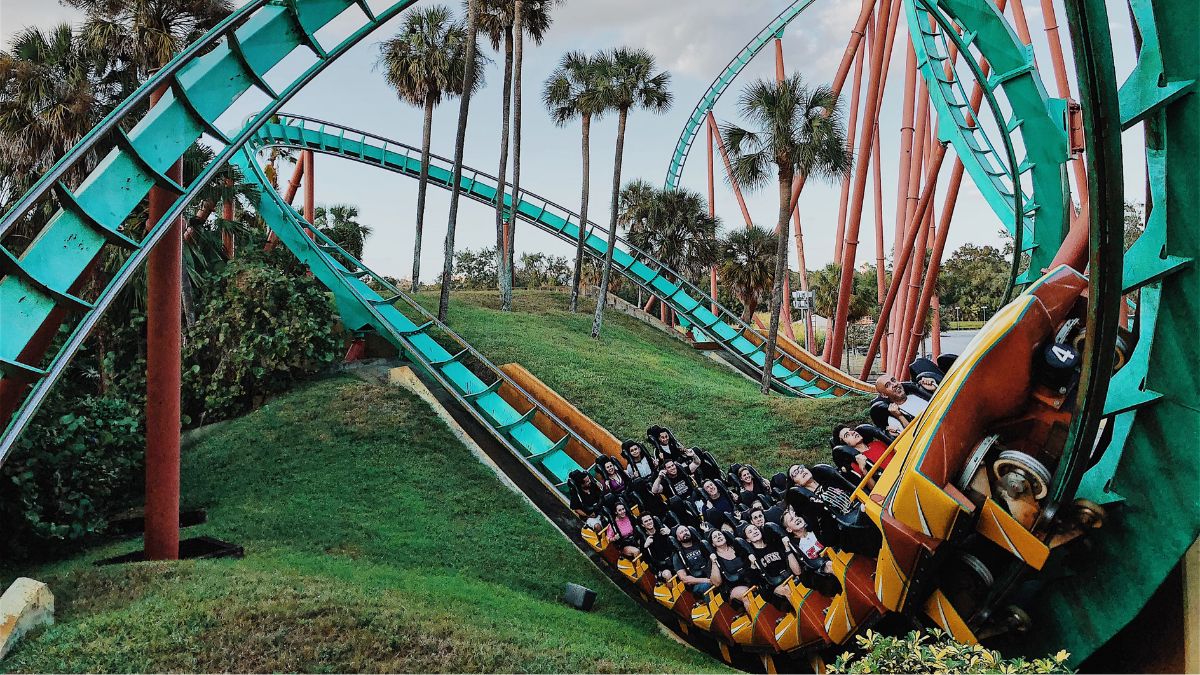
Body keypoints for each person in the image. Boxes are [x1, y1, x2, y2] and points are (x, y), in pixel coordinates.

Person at [786, 464, 881, 556]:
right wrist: (821, 511)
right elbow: (828, 539)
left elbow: (857, 488)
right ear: (795, 484)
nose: (801, 471)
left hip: (863, 508)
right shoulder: (809, 507)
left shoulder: (830, 478)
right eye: (796, 472)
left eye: (801, 467)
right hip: (851, 531)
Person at [744, 524, 800, 604]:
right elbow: (753, 581)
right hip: (773, 587)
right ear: (748, 540)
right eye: (750, 532)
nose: (754, 532)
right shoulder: (751, 557)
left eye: (755, 529)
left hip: (789, 576)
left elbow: (792, 565)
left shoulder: (774, 544)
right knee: (787, 589)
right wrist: (753, 565)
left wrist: (787, 548)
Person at [707, 529, 755, 606]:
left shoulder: (737, 548)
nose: (718, 537)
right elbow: (717, 583)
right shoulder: (713, 559)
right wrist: (714, 562)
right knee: (747, 594)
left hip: (750, 579)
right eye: (715, 537)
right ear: (713, 544)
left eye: (720, 535)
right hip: (732, 587)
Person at [671, 526, 713, 594]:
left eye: (686, 530)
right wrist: (707, 580)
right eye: (681, 532)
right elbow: (684, 579)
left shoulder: (701, 544)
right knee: (708, 586)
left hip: (712, 575)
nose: (685, 533)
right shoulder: (678, 556)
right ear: (678, 538)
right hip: (698, 583)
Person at [640, 514, 678, 582]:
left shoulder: (662, 530)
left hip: (674, 559)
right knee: (667, 574)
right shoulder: (645, 539)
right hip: (662, 566)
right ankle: (672, 591)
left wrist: (670, 532)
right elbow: (646, 560)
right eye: (646, 521)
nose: (649, 522)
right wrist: (645, 547)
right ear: (643, 525)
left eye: (650, 520)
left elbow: (677, 542)